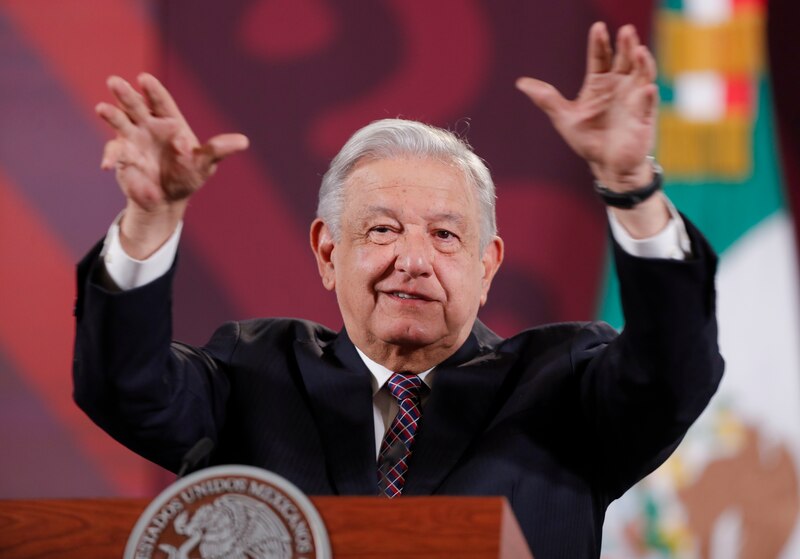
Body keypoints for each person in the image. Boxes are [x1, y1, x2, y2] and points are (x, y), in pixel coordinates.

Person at [73, 23, 723, 558]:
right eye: (382, 228)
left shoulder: (565, 384)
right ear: (329, 252)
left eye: (445, 236)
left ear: (488, 264)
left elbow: (673, 375)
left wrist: (630, 186)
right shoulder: (253, 372)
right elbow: (125, 387)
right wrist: (151, 219)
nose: (412, 259)